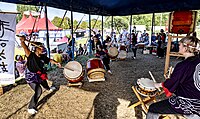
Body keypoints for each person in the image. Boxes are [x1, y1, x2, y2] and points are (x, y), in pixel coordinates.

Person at [146, 36, 200, 119]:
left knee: (153, 108)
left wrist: (158, 84)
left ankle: (191, 113)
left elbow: (172, 82)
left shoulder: (183, 65)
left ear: (185, 48)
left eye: (180, 45)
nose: (178, 46)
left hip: (188, 102)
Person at [18, 34, 62, 115]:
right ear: (36, 49)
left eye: (42, 47)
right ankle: (31, 107)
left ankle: (48, 88)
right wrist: (22, 41)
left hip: (39, 74)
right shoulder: (30, 55)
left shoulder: (42, 56)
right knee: (38, 91)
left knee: (44, 81)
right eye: (41, 47)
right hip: (31, 76)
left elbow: (49, 60)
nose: (42, 49)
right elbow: (25, 47)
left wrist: (56, 63)